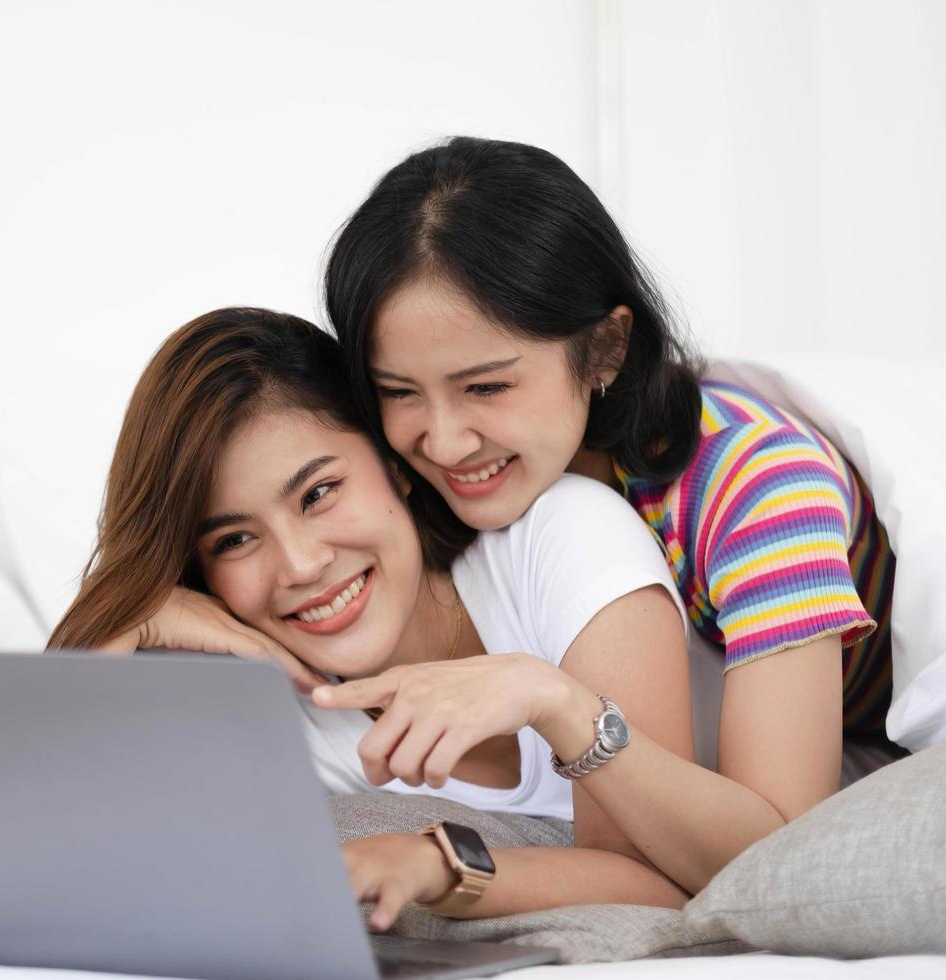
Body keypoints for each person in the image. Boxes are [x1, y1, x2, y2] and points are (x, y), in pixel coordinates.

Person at [324, 135, 896, 895]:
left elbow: (780, 861)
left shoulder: (759, 489)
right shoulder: (405, 472)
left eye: (488, 387)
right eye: (399, 391)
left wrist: (560, 704)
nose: (444, 440)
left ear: (605, 349)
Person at [48, 307, 701, 926]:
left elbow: (664, 881)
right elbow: (62, 859)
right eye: (234, 541)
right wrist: (127, 624)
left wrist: (437, 865)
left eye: (319, 492)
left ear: (396, 466)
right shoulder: (260, 714)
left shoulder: (559, 538)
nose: (301, 564)